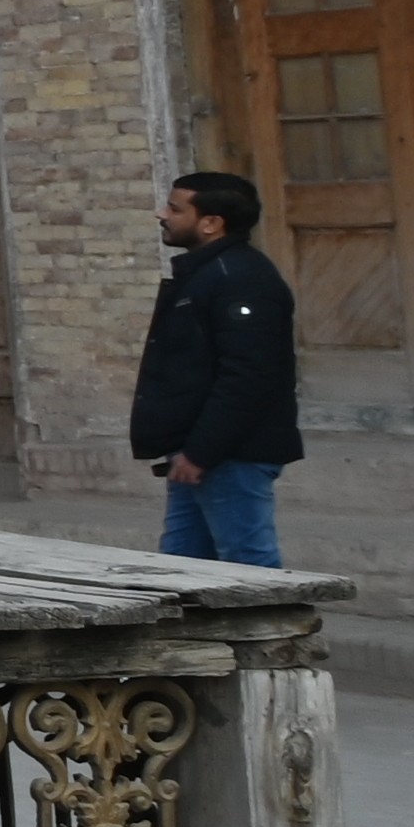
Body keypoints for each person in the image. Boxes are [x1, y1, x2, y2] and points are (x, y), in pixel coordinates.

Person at [133, 170, 300, 566]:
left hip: (230, 455)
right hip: (197, 452)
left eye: (174, 208)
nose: (162, 214)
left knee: (248, 565)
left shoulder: (241, 279)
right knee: (181, 565)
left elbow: (249, 375)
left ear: (210, 223)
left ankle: (272, 630)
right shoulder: (205, 274)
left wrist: (202, 452)